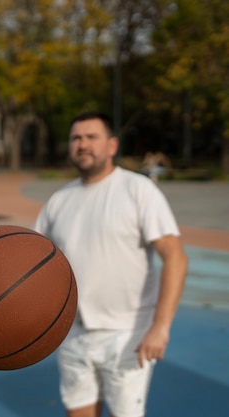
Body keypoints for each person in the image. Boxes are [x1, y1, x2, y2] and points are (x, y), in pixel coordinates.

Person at [33, 111, 188, 417]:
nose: (83, 144)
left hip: (127, 333)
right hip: (73, 332)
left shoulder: (139, 190)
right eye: (76, 138)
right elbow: (32, 264)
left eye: (92, 137)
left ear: (112, 145)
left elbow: (175, 257)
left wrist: (160, 327)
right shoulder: (58, 201)